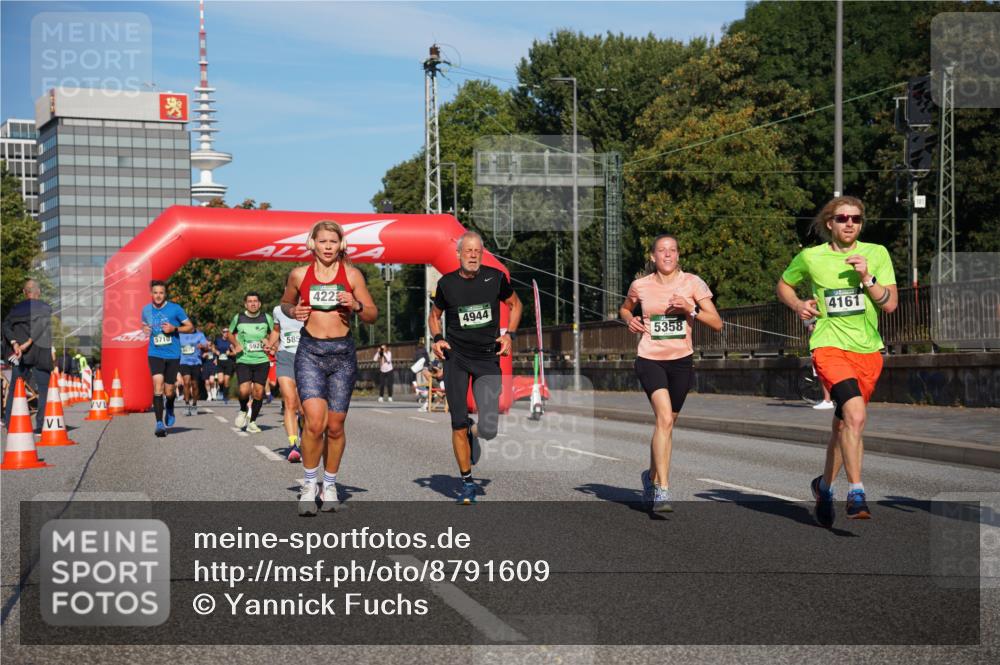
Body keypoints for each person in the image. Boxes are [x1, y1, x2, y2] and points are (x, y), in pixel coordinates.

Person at [777, 196, 897, 525]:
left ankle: (825, 487)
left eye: (856, 219)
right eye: (842, 218)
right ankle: (856, 491)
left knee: (845, 426)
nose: (849, 224)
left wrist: (868, 278)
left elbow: (889, 305)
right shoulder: (810, 257)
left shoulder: (877, 254)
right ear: (830, 223)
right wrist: (798, 304)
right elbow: (784, 284)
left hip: (868, 352)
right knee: (855, 417)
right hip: (829, 347)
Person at [619, 234, 722, 513]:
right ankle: (662, 490)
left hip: (681, 361)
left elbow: (717, 323)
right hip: (650, 358)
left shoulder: (692, 283)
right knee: (664, 418)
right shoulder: (640, 285)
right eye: (661, 251)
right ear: (652, 256)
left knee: (669, 423)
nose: (667, 255)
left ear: (678, 255)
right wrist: (630, 320)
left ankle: (650, 477)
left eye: (672, 250)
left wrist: (692, 308)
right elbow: (625, 308)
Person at [280, 220, 377, 515]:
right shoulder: (299, 274)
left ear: (341, 245)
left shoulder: (352, 274)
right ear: (312, 244)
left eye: (332, 242)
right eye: (322, 242)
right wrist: (293, 310)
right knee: (314, 423)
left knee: (335, 427)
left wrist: (357, 305)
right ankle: (309, 485)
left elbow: (372, 314)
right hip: (310, 352)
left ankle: (330, 484)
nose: (327, 247)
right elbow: (286, 303)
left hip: (342, 354)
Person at [429, 231, 522, 505]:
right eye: (467, 250)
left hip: (486, 357)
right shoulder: (446, 284)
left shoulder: (495, 278)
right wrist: (437, 339)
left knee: (490, 427)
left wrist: (509, 335)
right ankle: (467, 483)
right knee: (457, 422)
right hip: (456, 358)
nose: (472, 255)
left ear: (481, 254)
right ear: (458, 254)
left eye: (477, 251)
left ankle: (475, 432)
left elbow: (516, 306)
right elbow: (434, 316)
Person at [141, 280, 194, 437]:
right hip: (155, 353)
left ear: (165, 294)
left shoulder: (175, 309)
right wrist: (144, 329)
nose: (158, 295)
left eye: (161, 293)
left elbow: (190, 327)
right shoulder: (146, 310)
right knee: (158, 385)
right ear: (151, 294)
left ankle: (169, 406)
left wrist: (174, 328)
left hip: (173, 354)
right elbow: (145, 328)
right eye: (155, 292)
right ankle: (159, 423)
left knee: (169, 390)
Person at [2, 279, 54, 433]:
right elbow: (40, 326)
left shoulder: (15, 309)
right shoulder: (45, 307)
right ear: (39, 292)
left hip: (20, 355)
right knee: (44, 389)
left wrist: (15, 343)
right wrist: (28, 343)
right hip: (40, 353)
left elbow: (5, 326)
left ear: (24, 293)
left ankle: (11, 424)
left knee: (15, 388)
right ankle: (41, 426)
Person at [228, 293, 278, 434]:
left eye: (255, 301)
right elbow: (230, 333)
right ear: (245, 304)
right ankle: (243, 410)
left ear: (260, 304)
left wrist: (271, 344)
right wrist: (236, 344)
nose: (253, 304)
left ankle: (252, 422)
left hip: (261, 360)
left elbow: (275, 332)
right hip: (244, 359)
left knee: (259, 392)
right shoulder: (239, 318)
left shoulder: (266, 318)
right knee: (244, 390)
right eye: (250, 301)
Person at [273, 301, 305, 462]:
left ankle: (304, 433)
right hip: (285, 357)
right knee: (290, 402)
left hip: (306, 359)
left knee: (304, 408)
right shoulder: (278, 310)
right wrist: (269, 343)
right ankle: (293, 445)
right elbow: (276, 331)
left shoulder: (309, 307)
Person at [178, 327, 209, 416]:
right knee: (186, 382)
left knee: (195, 385)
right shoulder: (180, 335)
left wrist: (202, 346)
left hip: (196, 362)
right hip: (184, 362)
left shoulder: (200, 335)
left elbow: (206, 347)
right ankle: (187, 405)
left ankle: (194, 404)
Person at [214, 330, 234, 403]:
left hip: (228, 363)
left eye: (227, 332)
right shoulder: (218, 340)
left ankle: (225, 396)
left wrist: (230, 353)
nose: (226, 333)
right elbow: (213, 347)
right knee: (220, 380)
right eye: (224, 332)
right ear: (222, 333)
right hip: (220, 363)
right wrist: (216, 351)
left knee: (226, 381)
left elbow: (235, 352)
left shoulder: (231, 341)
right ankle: (221, 390)